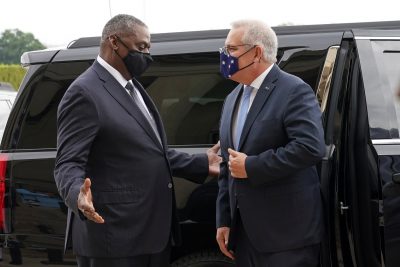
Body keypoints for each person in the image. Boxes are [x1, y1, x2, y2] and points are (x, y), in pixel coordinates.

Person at [54, 14, 221, 267]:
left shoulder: (133, 87)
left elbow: (150, 151)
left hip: (151, 235)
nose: (147, 54)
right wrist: (77, 195)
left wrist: (200, 163)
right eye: (141, 47)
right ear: (114, 42)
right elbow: (67, 162)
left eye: (148, 48)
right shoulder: (84, 92)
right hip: (114, 237)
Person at [216, 19, 326, 267]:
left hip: (287, 234)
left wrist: (253, 166)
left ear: (256, 52)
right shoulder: (232, 97)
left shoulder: (293, 89)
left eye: (231, 49)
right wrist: (224, 219)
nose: (225, 56)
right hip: (244, 235)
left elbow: (310, 147)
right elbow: (228, 165)